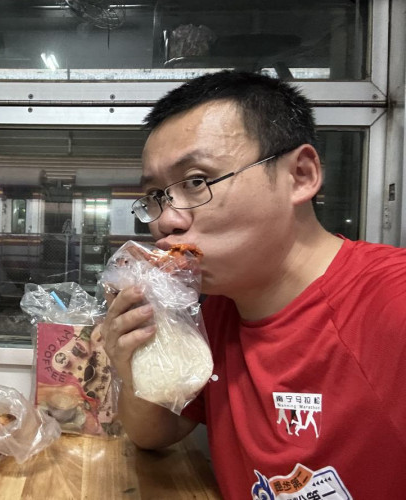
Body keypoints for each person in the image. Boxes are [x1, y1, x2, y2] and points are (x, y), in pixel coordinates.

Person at [102, 70, 406, 499]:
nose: (166, 221)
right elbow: (156, 432)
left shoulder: (391, 303)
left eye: (196, 181)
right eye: (156, 196)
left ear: (300, 175)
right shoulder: (215, 311)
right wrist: (130, 359)